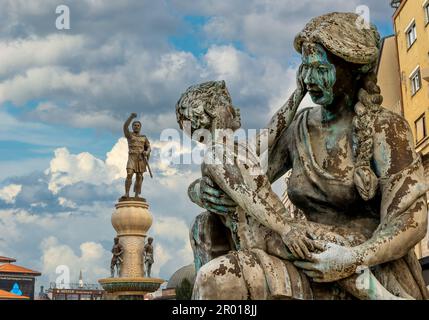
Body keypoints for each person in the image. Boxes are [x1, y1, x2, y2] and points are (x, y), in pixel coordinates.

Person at [184, 12, 429, 300]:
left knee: (221, 280)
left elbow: (411, 221)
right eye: (305, 68)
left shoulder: (386, 128)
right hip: (303, 251)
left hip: (363, 261)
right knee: (210, 255)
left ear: (354, 71)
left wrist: (352, 258)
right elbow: (247, 175)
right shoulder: (299, 126)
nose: (310, 78)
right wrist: (200, 190)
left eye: (321, 69)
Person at [123, 113, 151, 199]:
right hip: (132, 157)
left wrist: (147, 152)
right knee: (129, 174)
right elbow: (125, 127)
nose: (136, 126)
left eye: (138, 125)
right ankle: (126, 193)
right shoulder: (130, 135)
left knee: (139, 176)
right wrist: (131, 117)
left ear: (140, 127)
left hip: (141, 159)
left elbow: (149, 147)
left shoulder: (144, 137)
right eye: (134, 125)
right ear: (132, 127)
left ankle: (136, 195)